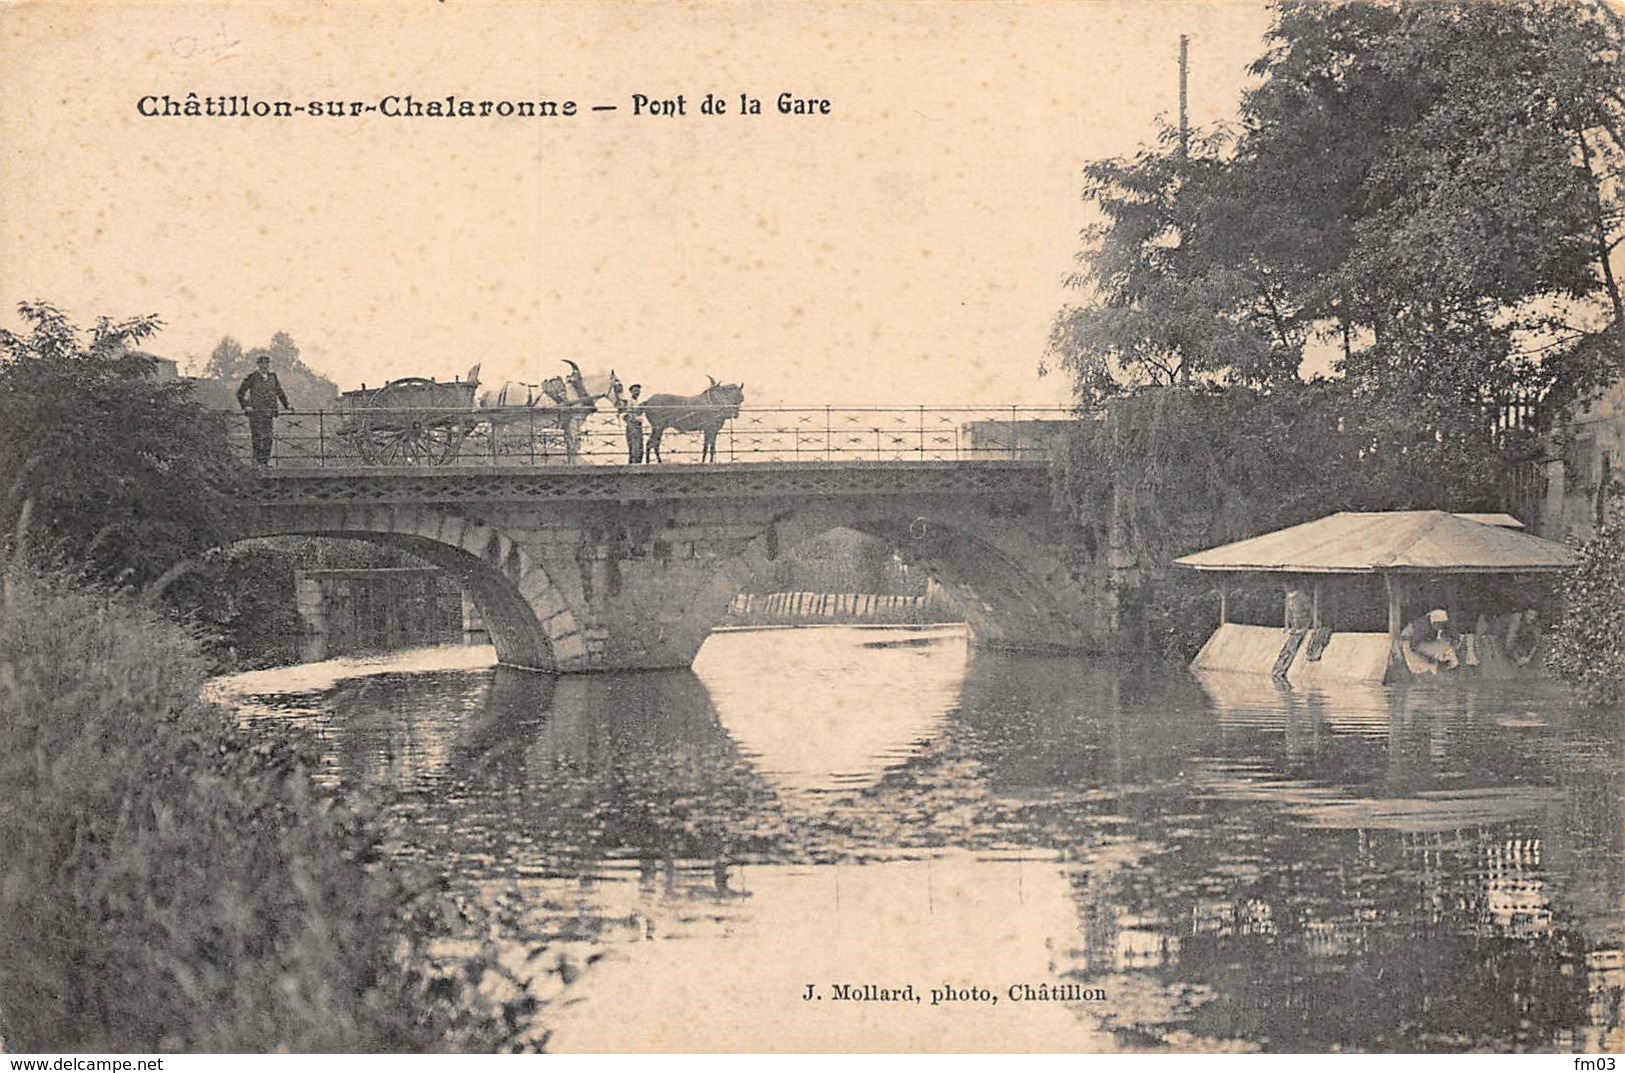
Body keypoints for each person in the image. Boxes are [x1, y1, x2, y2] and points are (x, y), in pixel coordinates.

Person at [236, 354, 290, 465]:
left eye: (267, 364)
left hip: (269, 412)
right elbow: (240, 393)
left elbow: (279, 392)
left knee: (268, 437)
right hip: (255, 412)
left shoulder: (273, 377)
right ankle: (257, 461)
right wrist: (246, 406)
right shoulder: (252, 377)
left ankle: (265, 461)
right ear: (258, 365)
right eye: (262, 364)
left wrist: (287, 405)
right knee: (257, 436)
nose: (265, 366)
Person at [619, 383, 645, 464]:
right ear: (631, 392)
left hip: (639, 426)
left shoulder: (639, 402)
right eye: (635, 391)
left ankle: (638, 464)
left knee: (640, 447)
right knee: (634, 448)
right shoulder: (628, 402)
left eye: (638, 391)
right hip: (632, 426)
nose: (637, 393)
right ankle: (633, 465)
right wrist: (631, 419)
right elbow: (623, 415)